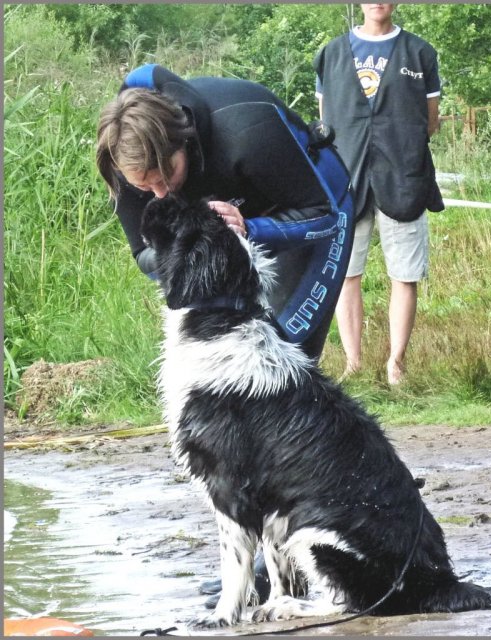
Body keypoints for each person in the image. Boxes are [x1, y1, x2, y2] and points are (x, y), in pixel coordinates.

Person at [96, 63, 354, 606]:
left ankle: (294, 555)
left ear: (184, 141)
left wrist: (247, 229)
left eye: (169, 175)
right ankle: (265, 556)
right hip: (235, 231)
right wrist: (188, 243)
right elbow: (148, 256)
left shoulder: (246, 126)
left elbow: (323, 216)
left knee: (277, 374)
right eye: (148, 187)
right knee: (234, 401)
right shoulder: (127, 165)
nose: (161, 192)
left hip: (307, 214)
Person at [314, 3, 444, 384]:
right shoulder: (330, 54)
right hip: (345, 182)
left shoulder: (420, 53)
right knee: (345, 275)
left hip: (404, 178)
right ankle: (353, 365)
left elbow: (430, 122)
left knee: (404, 275)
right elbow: (325, 122)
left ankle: (396, 365)